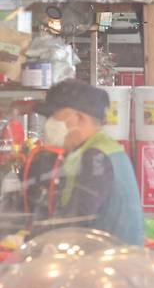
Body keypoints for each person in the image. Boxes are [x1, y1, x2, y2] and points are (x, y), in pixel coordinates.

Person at [30, 79, 144, 245]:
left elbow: (75, 219)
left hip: (107, 264)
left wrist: (35, 245)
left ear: (78, 118)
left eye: (54, 116)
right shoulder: (98, 149)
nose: (49, 124)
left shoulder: (96, 157)